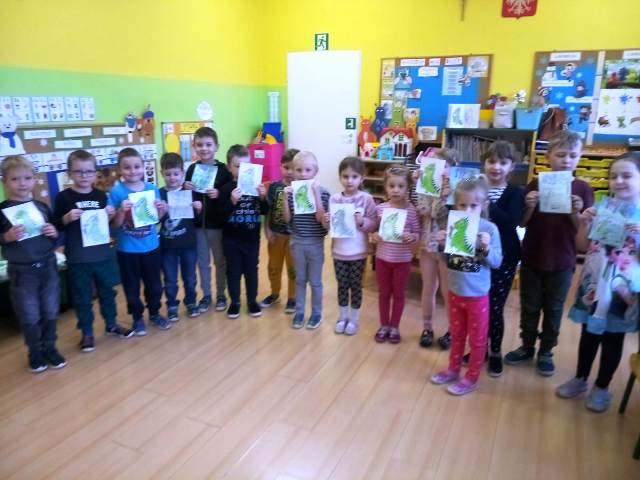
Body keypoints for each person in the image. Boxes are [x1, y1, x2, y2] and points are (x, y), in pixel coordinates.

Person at [556, 152, 640, 412]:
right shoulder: (604, 208)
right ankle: (580, 378)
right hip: (592, 284)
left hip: (621, 289)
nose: (619, 181)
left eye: (626, 176)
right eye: (614, 176)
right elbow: (582, 246)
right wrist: (583, 223)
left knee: (613, 338)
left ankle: (602, 386)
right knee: (589, 334)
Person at [505, 131, 594, 376]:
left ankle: (546, 350)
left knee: (554, 309)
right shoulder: (535, 184)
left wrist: (577, 213)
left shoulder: (583, 189)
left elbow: (583, 236)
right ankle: (527, 345)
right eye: (561, 155)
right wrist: (529, 206)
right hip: (532, 256)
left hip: (563, 260)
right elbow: (522, 223)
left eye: (572, 155)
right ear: (548, 157)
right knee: (529, 306)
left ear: (579, 157)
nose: (566, 160)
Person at [53, 149, 133, 353]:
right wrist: (66, 218)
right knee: (82, 296)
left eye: (89, 171)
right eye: (78, 171)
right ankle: (87, 332)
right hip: (78, 257)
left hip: (102, 254)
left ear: (95, 173)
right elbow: (55, 226)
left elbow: (110, 226)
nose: (84, 176)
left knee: (108, 291)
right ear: (69, 173)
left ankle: (111, 323)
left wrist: (111, 214)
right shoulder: (63, 197)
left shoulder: (100, 196)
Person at [431, 177, 502, 395]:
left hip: (477, 295)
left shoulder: (489, 229)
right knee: (457, 333)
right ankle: (453, 369)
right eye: (462, 205)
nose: (467, 210)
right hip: (455, 290)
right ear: (455, 205)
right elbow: (445, 261)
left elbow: (497, 262)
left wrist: (486, 248)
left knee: (478, 339)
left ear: (484, 205)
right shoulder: (453, 225)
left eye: (473, 206)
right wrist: (441, 245)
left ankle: (471, 377)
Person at [0, 155, 65, 372]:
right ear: (5, 181)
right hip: (22, 272)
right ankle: (35, 352)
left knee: (50, 310)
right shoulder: (2, 211)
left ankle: (50, 348)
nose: (22, 183)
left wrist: (53, 232)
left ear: (34, 179)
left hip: (48, 266)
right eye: (15, 179)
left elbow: (54, 235)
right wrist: (6, 237)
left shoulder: (41, 207)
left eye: (27, 178)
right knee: (29, 315)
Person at [109, 147, 169, 335]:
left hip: (151, 247)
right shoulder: (116, 192)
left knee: (155, 285)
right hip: (127, 250)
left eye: (136, 166)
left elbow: (156, 219)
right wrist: (121, 211)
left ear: (143, 167)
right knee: (131, 287)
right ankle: (137, 317)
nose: (132, 171)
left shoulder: (152, 189)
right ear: (120, 169)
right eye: (127, 167)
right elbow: (114, 226)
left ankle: (155, 313)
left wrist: (162, 210)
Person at [480, 141, 524, 376]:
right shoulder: (474, 187)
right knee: (478, 306)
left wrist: (487, 203)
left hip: (505, 257)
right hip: (478, 256)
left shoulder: (515, 193)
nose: (496, 167)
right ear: (484, 163)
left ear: (511, 167)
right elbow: (459, 212)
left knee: (495, 307)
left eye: (503, 162)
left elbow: (510, 223)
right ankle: (480, 349)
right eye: (491, 161)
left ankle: (495, 351)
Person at [324, 156, 377, 335]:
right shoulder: (334, 199)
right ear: (340, 177)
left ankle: (353, 319)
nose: (349, 181)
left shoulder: (366, 198)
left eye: (354, 177)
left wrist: (362, 222)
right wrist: (326, 220)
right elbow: (330, 226)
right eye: (345, 176)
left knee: (355, 286)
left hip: (358, 252)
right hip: (339, 252)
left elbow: (374, 224)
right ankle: (342, 317)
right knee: (342, 285)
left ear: (362, 178)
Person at [184, 127, 232, 313]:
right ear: (194, 146)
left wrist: (219, 194)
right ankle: (206, 295)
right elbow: (185, 197)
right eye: (199, 145)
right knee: (203, 263)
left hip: (217, 225)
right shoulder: (192, 169)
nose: (204, 148)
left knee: (220, 261)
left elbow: (230, 197)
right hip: (197, 225)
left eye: (208, 144)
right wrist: (185, 187)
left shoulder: (224, 171)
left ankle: (221, 294)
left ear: (216, 147)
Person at [218, 145, 269, 318]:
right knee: (233, 271)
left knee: (251, 270)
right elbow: (221, 216)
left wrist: (263, 197)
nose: (242, 170)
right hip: (231, 239)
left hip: (251, 238)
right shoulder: (226, 189)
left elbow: (265, 211)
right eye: (237, 166)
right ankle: (235, 302)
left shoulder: (255, 187)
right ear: (229, 167)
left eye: (246, 166)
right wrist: (231, 201)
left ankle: (252, 301)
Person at [415, 148, 459, 350]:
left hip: (446, 246)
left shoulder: (457, 188)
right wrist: (423, 185)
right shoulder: (426, 185)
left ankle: (452, 331)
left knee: (448, 291)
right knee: (428, 287)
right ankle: (427, 328)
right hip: (427, 244)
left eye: (443, 166)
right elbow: (424, 210)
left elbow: (438, 212)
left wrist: (445, 191)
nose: (437, 170)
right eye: (432, 165)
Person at [372, 166, 420, 344]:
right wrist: (374, 236)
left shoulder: (411, 210)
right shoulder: (380, 208)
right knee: (383, 293)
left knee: (399, 294)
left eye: (401, 186)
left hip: (402, 261)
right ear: (385, 187)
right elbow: (374, 230)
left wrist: (412, 237)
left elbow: (417, 233)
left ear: (408, 188)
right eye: (391, 186)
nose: (396, 190)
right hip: (382, 259)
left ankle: (394, 327)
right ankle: (384, 325)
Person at [282, 151, 330, 329]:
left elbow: (321, 219)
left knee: (315, 282)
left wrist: (316, 194)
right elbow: (287, 219)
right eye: (299, 170)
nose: (303, 174)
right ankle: (300, 312)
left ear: (315, 171)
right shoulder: (291, 192)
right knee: (300, 280)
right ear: (293, 171)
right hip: (297, 242)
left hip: (315, 243)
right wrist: (285, 199)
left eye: (308, 170)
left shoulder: (323, 193)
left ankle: (316, 313)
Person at [159, 152, 202, 321]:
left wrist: (198, 208)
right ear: (162, 174)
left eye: (176, 174)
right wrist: (160, 211)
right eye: (168, 174)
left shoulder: (189, 192)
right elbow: (155, 220)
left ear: (182, 173)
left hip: (188, 244)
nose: (172, 178)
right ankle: (172, 305)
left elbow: (196, 220)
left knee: (190, 277)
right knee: (170, 279)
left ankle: (191, 302)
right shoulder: (158, 194)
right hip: (167, 245)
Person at [260, 148, 299, 314]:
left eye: (293, 168)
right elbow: (268, 210)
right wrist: (267, 229)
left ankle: (293, 297)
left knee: (293, 269)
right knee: (274, 267)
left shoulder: (300, 189)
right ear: (280, 167)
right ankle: (274, 293)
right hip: (275, 235)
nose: (289, 172)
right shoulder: (274, 187)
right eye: (286, 167)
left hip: (294, 238)